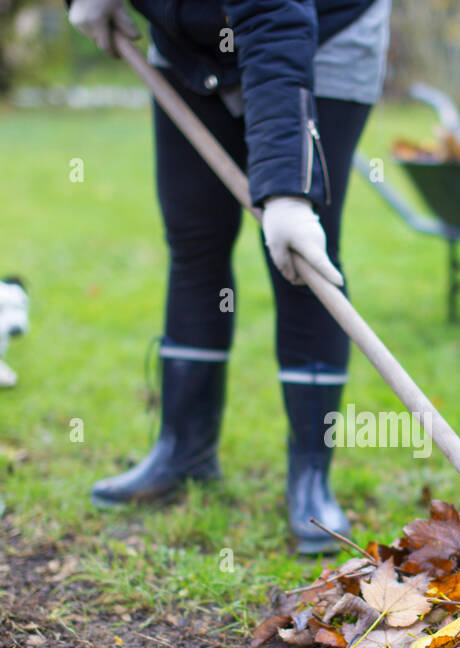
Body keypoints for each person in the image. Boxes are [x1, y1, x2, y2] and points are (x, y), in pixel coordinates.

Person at [67, 0, 390, 554]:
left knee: (303, 258)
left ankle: (311, 476)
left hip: (322, 33)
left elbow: (274, 21)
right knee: (194, 239)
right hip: (189, 44)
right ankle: (184, 450)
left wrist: (288, 193)